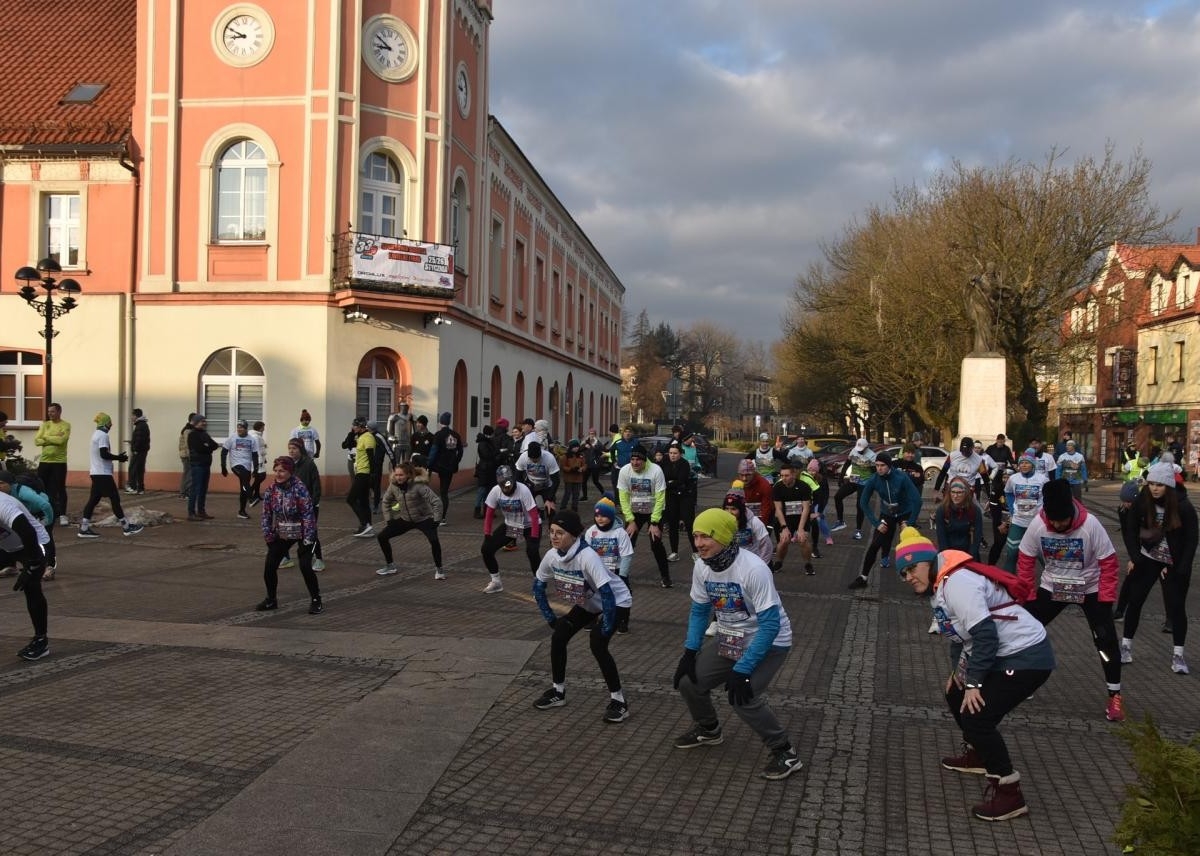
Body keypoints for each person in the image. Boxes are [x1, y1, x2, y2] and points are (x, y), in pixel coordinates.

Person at [893, 527, 1053, 821]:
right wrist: (960, 676)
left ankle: (1009, 793)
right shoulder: (939, 585)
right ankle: (978, 755)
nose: (908, 577)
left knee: (977, 717)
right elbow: (960, 637)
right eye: (903, 573)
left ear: (929, 561)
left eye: (912, 568)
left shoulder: (958, 583)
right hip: (1001, 652)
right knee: (955, 693)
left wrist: (975, 683)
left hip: (1027, 655)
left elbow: (986, 636)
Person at [671, 507, 802, 781]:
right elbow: (698, 611)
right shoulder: (701, 567)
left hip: (770, 641)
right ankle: (709, 729)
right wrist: (689, 652)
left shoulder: (753, 569)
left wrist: (743, 670)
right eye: (695, 536)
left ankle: (784, 751)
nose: (699, 544)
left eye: (706, 537)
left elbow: (770, 625)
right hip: (730, 637)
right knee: (689, 681)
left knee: (743, 696)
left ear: (724, 536)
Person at [1016, 478, 1125, 721]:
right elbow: (1025, 560)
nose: (1057, 524)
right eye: (1053, 520)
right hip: (1053, 585)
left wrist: (1105, 599)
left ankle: (1114, 696)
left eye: (1062, 520)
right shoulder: (1038, 525)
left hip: (1089, 587)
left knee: (1105, 640)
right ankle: (1022, 682)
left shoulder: (1091, 525)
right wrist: (1028, 594)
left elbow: (1109, 564)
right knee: (1024, 630)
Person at [530, 509, 632, 722]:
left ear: (574, 535)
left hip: (616, 600)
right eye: (552, 532)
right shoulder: (551, 556)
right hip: (588, 602)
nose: (554, 537)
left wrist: (604, 628)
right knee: (559, 635)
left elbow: (607, 594)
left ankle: (619, 702)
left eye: (560, 533)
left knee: (597, 642)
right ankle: (558, 692)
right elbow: (538, 587)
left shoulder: (587, 556)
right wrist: (551, 619)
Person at [1118, 460, 1198, 674]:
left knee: (1176, 607)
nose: (1154, 488)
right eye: (1151, 483)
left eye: (1159, 485)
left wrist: (1181, 566)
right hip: (1147, 557)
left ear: (1168, 486)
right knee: (1135, 600)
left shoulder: (1183, 506)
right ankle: (1126, 646)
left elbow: (1192, 539)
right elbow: (1130, 529)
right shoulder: (1143, 501)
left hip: (1175, 562)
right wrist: (1135, 556)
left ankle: (1178, 655)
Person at [256, 456, 322, 615]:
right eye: (276, 470)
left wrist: (307, 539)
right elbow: (266, 514)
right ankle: (271, 599)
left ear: (290, 472)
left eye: (282, 471)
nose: (278, 474)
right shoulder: (271, 490)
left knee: (305, 565)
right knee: (270, 565)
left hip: (303, 532)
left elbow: (308, 514)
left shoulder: (299, 488)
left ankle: (316, 600)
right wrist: (268, 535)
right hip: (283, 532)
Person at [847, 452, 921, 589]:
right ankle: (863, 578)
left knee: (907, 544)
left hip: (904, 512)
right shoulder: (874, 478)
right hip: (887, 514)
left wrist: (909, 523)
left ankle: (914, 577)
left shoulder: (902, 477)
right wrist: (876, 523)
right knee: (875, 544)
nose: (879, 468)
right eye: (877, 465)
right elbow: (863, 502)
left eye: (882, 466)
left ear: (889, 466)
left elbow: (917, 501)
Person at [0, 488, 53, 660]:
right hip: (8, 546)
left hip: (35, 543)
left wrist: (32, 566)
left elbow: (28, 532)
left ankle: (41, 641)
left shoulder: (2, 504)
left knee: (31, 586)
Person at [78, 413, 145, 539]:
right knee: (115, 499)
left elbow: (102, 454)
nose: (111, 425)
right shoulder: (103, 435)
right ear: (104, 423)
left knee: (93, 501)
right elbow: (104, 454)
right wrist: (119, 458)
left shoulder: (95, 434)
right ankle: (126, 527)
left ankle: (84, 528)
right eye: (109, 423)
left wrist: (116, 457)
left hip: (96, 472)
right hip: (103, 473)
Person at [375, 462, 445, 580]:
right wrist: (389, 519)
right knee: (382, 536)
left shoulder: (419, 486)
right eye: (396, 475)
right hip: (405, 519)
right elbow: (386, 501)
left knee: (434, 540)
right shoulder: (393, 486)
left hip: (423, 518)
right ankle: (390, 566)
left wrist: (436, 520)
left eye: (401, 475)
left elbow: (436, 502)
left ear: (408, 475)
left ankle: (439, 570)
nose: (398, 477)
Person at [617, 444, 672, 587]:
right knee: (627, 543)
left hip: (653, 511)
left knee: (656, 543)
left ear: (645, 460)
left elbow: (661, 498)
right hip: (634, 512)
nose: (635, 463)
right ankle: (621, 576)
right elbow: (623, 497)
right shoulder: (624, 471)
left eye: (638, 460)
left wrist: (654, 523)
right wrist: (630, 520)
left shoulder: (655, 470)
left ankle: (665, 577)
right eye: (632, 459)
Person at [481, 465, 541, 592]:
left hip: (530, 525)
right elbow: (489, 513)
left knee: (532, 551)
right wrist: (487, 534)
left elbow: (534, 515)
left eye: (509, 484)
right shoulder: (495, 491)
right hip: (513, 525)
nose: (507, 488)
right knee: (486, 549)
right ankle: (496, 582)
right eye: (503, 486)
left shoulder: (523, 490)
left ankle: (539, 584)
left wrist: (534, 537)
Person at [998, 449, 1048, 573]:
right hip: (1018, 522)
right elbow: (1008, 492)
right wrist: (1011, 508)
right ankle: (1008, 585)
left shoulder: (1042, 479)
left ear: (1033, 464)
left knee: (1044, 556)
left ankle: (1052, 584)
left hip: (1037, 523)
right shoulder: (1013, 478)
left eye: (1027, 463)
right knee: (1012, 553)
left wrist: (1045, 513)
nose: (1024, 465)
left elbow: (1049, 497)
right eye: (1021, 463)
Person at [0, 470, 56, 580]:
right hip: (27, 514)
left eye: (1, 483)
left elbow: (44, 504)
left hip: (44, 511)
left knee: (44, 537)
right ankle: (11, 566)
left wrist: (48, 521)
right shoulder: (4, 496)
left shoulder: (23, 492)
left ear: (10, 484)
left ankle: (49, 567)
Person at [280, 438, 325, 571]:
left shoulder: (309, 464)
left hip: (309, 505)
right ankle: (286, 558)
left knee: (310, 533)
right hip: (292, 505)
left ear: (301, 449)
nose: (291, 451)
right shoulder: (288, 464)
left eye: (294, 448)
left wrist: (314, 502)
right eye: (289, 448)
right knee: (287, 531)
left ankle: (319, 559)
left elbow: (316, 484)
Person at [586, 495, 634, 603]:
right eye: (597, 515)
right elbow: (586, 553)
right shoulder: (591, 531)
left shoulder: (620, 533)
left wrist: (622, 576)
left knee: (621, 599)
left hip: (615, 572)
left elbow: (626, 555)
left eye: (603, 516)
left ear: (611, 516)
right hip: (597, 571)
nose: (599, 519)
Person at [771, 460, 813, 575]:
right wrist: (784, 527)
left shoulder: (804, 487)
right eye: (782, 475)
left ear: (793, 475)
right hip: (785, 519)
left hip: (801, 518)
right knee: (784, 541)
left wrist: (800, 529)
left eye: (787, 475)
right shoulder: (777, 487)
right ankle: (779, 562)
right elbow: (778, 509)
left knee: (803, 540)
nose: (784, 478)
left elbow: (806, 508)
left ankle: (808, 564)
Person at [34, 402, 70, 526]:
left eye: (52, 411)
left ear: (59, 412)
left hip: (59, 462)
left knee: (60, 488)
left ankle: (62, 515)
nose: (50, 414)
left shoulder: (65, 425)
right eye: (49, 412)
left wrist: (46, 438)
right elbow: (36, 441)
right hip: (44, 461)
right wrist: (52, 437)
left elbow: (61, 440)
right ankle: (42, 513)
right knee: (41, 487)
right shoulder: (45, 425)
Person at [832, 438, 875, 539]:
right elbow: (847, 463)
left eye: (862, 449)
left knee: (860, 505)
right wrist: (841, 477)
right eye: (858, 448)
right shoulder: (854, 451)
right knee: (837, 497)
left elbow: (874, 473)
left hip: (865, 482)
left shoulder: (872, 456)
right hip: (854, 479)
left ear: (866, 447)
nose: (859, 451)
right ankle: (840, 521)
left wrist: (873, 486)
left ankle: (858, 530)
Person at [661, 441, 697, 562]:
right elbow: (662, 479)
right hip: (671, 497)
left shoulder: (684, 464)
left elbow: (681, 480)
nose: (672, 455)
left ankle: (696, 551)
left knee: (689, 524)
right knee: (672, 525)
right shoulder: (665, 462)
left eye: (675, 453)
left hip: (685, 497)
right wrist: (670, 483)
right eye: (670, 453)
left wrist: (670, 483)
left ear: (680, 454)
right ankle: (674, 552)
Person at [935, 476, 984, 561]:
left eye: (959, 493)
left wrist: (970, 557)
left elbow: (977, 537)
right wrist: (948, 557)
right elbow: (941, 537)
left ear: (966, 493)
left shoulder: (974, 510)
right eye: (953, 492)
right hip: (948, 553)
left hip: (968, 553)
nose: (955, 496)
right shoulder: (942, 510)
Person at [426, 412, 463, 523]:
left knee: (432, 490)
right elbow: (460, 451)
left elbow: (434, 451)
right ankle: (443, 517)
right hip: (450, 467)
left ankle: (433, 513)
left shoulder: (438, 435)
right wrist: (456, 461)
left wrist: (429, 464)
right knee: (444, 492)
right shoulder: (455, 435)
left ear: (440, 422)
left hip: (440, 466)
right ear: (449, 422)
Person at [220, 420, 261, 520]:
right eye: (238, 427)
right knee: (244, 478)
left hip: (247, 466)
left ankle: (241, 511)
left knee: (244, 486)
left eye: (241, 427)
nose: (239, 429)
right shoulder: (232, 438)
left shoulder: (252, 439)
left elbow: (255, 455)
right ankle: (251, 499)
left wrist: (255, 468)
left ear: (246, 429)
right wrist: (223, 467)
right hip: (236, 465)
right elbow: (224, 452)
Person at [723, 492, 774, 566]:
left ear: (741, 509)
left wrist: (762, 565)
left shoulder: (754, 522)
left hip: (752, 563)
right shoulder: (722, 522)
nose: (729, 512)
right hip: (732, 564)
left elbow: (766, 545)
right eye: (726, 508)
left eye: (733, 509)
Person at [515, 440, 561, 522]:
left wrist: (550, 499)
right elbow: (518, 476)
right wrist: (523, 489)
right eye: (532, 459)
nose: (534, 461)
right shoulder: (523, 457)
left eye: (537, 459)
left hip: (547, 485)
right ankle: (537, 517)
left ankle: (551, 528)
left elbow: (556, 480)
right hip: (531, 484)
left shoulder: (549, 458)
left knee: (551, 509)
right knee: (528, 507)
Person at [344, 417, 375, 537]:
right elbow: (346, 444)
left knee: (350, 499)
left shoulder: (368, 437)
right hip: (360, 472)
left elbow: (371, 457)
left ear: (361, 426)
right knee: (363, 502)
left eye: (355, 426)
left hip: (364, 473)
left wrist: (372, 474)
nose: (353, 427)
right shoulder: (360, 437)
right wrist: (351, 434)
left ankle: (365, 524)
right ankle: (367, 528)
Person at [186, 414, 219, 521]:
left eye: (205, 421)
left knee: (203, 489)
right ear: (196, 423)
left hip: (206, 465)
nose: (204, 423)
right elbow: (200, 448)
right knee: (195, 489)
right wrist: (207, 447)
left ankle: (201, 511)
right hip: (197, 465)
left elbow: (214, 445)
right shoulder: (193, 434)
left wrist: (207, 446)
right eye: (202, 421)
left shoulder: (204, 434)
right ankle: (191, 513)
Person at [736, 458, 775, 536]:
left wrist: (760, 528)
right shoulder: (737, 483)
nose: (744, 478)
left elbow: (766, 509)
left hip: (763, 516)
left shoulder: (764, 485)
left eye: (747, 475)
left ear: (753, 473)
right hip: (745, 516)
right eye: (742, 475)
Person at [472, 425, 497, 519]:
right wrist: (496, 453)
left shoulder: (487, 442)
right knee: (482, 491)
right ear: (489, 434)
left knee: (487, 491)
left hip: (488, 469)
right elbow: (486, 455)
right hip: (484, 470)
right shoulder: (483, 443)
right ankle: (477, 511)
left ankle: (487, 511)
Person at [559, 439, 588, 512]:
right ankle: (563, 507)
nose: (576, 448)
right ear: (571, 447)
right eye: (574, 447)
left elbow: (585, 464)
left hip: (578, 478)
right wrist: (571, 469)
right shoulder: (566, 456)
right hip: (569, 478)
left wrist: (582, 469)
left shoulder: (581, 455)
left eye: (577, 447)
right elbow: (563, 466)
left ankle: (574, 508)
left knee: (576, 494)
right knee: (567, 494)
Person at [126, 408, 150, 494]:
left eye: (132, 415)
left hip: (139, 451)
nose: (131, 417)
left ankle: (133, 487)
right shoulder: (142, 425)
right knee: (139, 469)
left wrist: (135, 449)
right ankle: (140, 488)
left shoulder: (140, 426)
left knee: (133, 469)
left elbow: (139, 439)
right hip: (142, 451)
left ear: (136, 416)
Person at [582, 427, 607, 498]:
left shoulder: (598, 443)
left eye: (593, 434)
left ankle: (604, 494)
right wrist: (584, 446)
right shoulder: (586, 441)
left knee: (595, 481)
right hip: (587, 464)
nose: (591, 435)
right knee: (584, 481)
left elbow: (603, 451)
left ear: (595, 434)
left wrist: (594, 447)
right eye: (590, 433)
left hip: (595, 465)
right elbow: (581, 449)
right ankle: (584, 496)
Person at [248, 421, 269, 504]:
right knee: (261, 476)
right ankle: (249, 493)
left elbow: (261, 448)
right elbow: (256, 450)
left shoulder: (258, 436)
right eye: (263, 427)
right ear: (260, 427)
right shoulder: (255, 436)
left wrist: (264, 458)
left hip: (261, 459)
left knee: (258, 477)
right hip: (257, 460)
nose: (264, 429)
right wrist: (259, 461)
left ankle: (256, 494)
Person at [178, 412, 196, 500]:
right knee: (188, 474)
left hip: (186, 454)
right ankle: (185, 493)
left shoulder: (189, 429)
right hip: (187, 455)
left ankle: (184, 492)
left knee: (187, 473)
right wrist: (191, 456)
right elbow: (189, 444)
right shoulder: (188, 430)